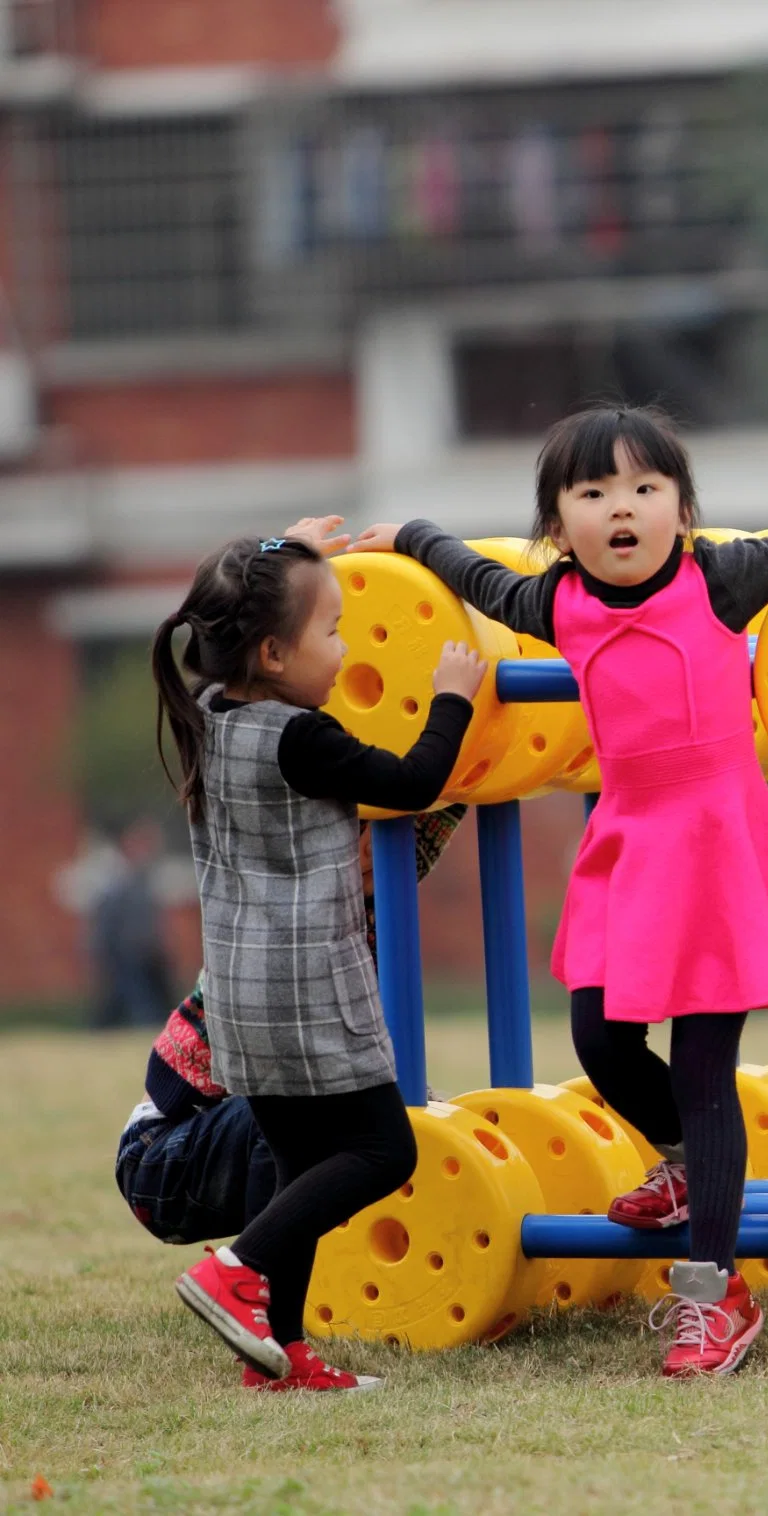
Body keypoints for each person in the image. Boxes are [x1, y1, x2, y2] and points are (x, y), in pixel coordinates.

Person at [352, 403, 768, 1377]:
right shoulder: (556, 603)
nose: (622, 508)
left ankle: (715, 1291)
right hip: (630, 849)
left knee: (705, 1071)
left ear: (681, 509)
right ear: (559, 524)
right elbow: (473, 577)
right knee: (597, 1036)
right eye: (594, 491)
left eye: (645, 488)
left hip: (720, 849)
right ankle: (683, 1167)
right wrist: (407, 537)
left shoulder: (719, 580)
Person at [153, 516, 483, 1392]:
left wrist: (291, 558)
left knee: (298, 1167)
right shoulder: (304, 740)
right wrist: (453, 696)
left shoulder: (210, 712)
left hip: (238, 1002)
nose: (344, 650)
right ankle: (236, 1270)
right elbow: (414, 783)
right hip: (311, 996)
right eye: (330, 632)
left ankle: (283, 1353)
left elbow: (240, 608)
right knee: (384, 1150)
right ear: (270, 653)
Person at [116, 806, 463, 1251]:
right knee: (306, 1105)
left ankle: (270, 1259)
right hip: (160, 1154)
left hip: (238, 1129)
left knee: (362, 1118)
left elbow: (432, 802)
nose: (373, 855)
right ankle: (257, 1271)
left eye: (388, 841)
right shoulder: (291, 919)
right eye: (358, 838)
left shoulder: (382, 906)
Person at [86, 817, 173, 1029]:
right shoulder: (117, 881)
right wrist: (103, 952)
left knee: (133, 1001)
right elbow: (105, 923)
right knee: (142, 1003)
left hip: (148, 954)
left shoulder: (145, 879)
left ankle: (99, 1030)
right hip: (126, 954)